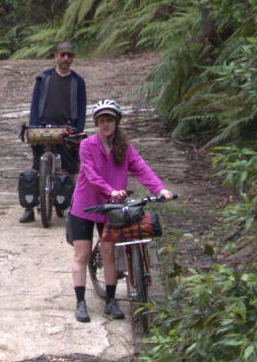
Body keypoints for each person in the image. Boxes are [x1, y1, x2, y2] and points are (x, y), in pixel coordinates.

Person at [66, 100, 175, 321]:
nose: (106, 125)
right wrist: (111, 190)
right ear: (97, 123)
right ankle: (80, 302)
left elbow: (142, 169)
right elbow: (90, 174)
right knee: (83, 254)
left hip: (112, 209)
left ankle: (111, 300)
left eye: (110, 120)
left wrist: (161, 189)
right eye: (102, 121)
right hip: (85, 206)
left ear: (116, 122)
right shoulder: (87, 145)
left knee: (109, 253)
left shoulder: (124, 147)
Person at [22, 41, 87, 224]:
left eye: (69, 55)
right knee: (35, 166)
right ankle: (29, 207)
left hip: (67, 129)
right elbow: (35, 104)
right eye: (62, 55)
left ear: (73, 58)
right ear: (56, 56)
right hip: (43, 127)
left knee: (72, 168)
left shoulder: (78, 81)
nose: (66, 58)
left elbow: (81, 109)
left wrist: (78, 131)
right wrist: (34, 126)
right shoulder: (43, 78)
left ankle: (74, 208)